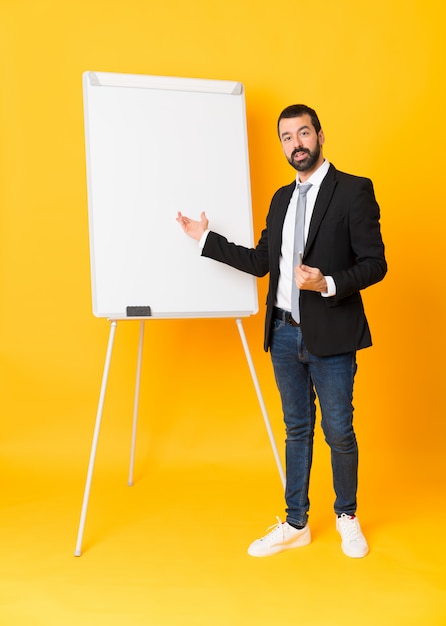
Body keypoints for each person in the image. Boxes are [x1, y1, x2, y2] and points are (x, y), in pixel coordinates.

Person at [176, 104, 386, 559]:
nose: (297, 144)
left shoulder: (353, 191)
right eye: (288, 137)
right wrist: (205, 238)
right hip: (285, 335)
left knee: (339, 430)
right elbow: (260, 262)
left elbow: (375, 264)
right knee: (296, 429)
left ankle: (346, 516)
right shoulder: (280, 199)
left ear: (320, 135)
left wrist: (327, 282)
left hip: (332, 334)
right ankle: (296, 523)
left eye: (303, 133)